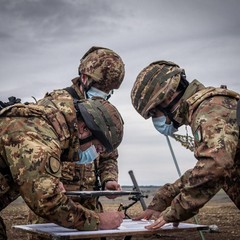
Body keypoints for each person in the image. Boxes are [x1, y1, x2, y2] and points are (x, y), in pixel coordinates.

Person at [130, 60, 240, 229]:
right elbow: (210, 167)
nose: (156, 120)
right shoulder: (210, 106)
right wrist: (162, 200)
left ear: (167, 98)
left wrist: (176, 211)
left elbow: (215, 166)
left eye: (153, 113)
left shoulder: (209, 110)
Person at [0, 97, 124, 239]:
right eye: (98, 148)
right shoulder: (39, 138)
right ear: (84, 130)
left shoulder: (47, 126)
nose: (97, 154)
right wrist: (99, 221)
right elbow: (47, 201)